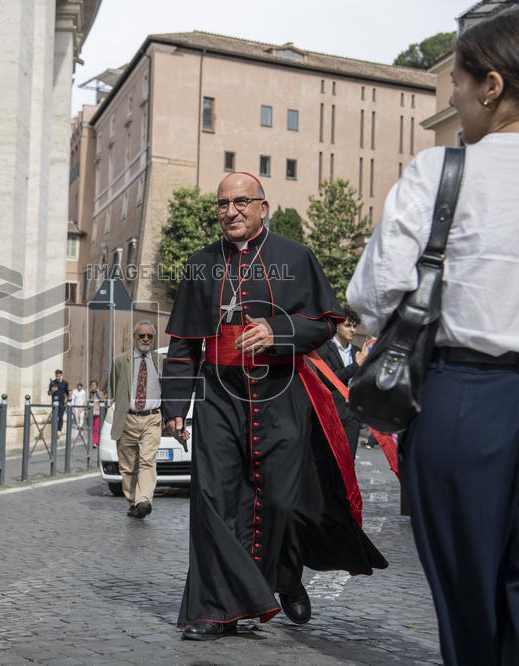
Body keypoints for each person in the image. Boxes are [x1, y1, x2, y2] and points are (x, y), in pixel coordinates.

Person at [347, 10, 519, 664]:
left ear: (491, 85)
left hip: (461, 402)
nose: (453, 99)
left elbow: (374, 293)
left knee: (473, 613)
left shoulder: (437, 173)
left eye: (458, 84)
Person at [161, 171, 387, 640]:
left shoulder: (295, 256)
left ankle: (284, 577)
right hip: (220, 396)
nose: (231, 211)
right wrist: (175, 406)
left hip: (281, 394)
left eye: (241, 202)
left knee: (279, 501)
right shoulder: (201, 264)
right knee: (211, 500)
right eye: (222, 205)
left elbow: (324, 324)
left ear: (264, 207)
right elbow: (184, 345)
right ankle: (212, 609)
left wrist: (278, 333)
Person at [108, 321, 164, 518]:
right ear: (135, 338)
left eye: (150, 336)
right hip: (128, 419)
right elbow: (114, 387)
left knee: (148, 460)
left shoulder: (160, 362)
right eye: (142, 336)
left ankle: (144, 500)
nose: (146, 339)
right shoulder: (120, 361)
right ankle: (133, 503)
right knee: (128, 466)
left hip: (152, 418)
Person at [315, 308, 367, 458]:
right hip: (332, 412)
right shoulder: (324, 349)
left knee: (349, 460)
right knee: (330, 460)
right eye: (348, 325)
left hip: (352, 415)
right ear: (337, 325)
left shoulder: (358, 351)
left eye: (354, 326)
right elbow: (329, 380)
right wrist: (356, 366)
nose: (352, 330)